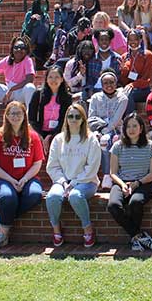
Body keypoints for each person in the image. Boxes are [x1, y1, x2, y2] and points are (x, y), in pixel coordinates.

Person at [0, 101, 45, 250]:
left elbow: (37, 164)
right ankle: (3, 236)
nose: (15, 116)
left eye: (19, 113)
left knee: (35, 194)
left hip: (26, 179)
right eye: (12, 113)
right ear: (7, 116)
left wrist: (24, 179)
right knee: (8, 197)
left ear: (24, 115)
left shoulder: (33, 137)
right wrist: (11, 180)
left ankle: (1, 219)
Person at [45, 103, 101, 248]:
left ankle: (88, 229)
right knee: (52, 197)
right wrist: (63, 183)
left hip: (87, 181)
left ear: (83, 119)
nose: (74, 119)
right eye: (70, 116)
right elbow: (52, 166)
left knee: (75, 196)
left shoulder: (91, 139)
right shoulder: (58, 139)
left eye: (77, 116)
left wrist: (75, 182)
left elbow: (92, 167)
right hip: (63, 181)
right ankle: (56, 230)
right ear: (66, 119)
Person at [107, 113, 152, 252]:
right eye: (128, 126)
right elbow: (113, 173)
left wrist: (138, 182)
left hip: (144, 183)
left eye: (135, 126)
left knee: (135, 202)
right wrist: (123, 184)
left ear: (141, 128)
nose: (131, 129)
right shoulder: (117, 146)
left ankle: (137, 239)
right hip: (121, 182)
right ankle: (138, 236)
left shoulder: (151, 146)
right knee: (113, 205)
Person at [87, 70, 128, 187]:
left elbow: (115, 120)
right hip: (97, 129)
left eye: (112, 82)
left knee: (105, 140)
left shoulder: (122, 98)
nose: (109, 85)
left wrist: (104, 130)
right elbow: (91, 118)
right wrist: (100, 129)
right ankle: (90, 176)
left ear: (116, 83)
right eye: (105, 83)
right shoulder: (95, 97)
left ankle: (107, 175)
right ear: (101, 84)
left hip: (116, 130)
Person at [28, 66, 73, 153]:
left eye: (57, 77)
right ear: (46, 79)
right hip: (40, 133)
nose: (53, 80)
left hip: (59, 133)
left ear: (62, 79)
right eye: (50, 77)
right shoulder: (38, 95)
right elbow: (32, 118)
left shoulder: (67, 97)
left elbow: (65, 120)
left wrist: (51, 136)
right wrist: (42, 136)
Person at [118, 29, 152, 117]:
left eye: (135, 39)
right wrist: (124, 71)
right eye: (130, 39)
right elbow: (124, 81)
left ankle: (130, 118)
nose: (132, 42)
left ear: (140, 40)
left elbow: (147, 79)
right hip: (128, 88)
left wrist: (133, 85)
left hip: (143, 89)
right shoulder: (124, 57)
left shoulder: (147, 55)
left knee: (127, 95)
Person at [85, 29, 122, 99]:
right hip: (95, 89)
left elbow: (118, 78)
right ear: (98, 41)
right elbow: (90, 79)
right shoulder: (92, 59)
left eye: (106, 39)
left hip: (112, 89)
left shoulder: (117, 58)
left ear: (110, 41)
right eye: (101, 40)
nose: (104, 42)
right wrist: (90, 91)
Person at [22, 0, 52, 68]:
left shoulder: (46, 16)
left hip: (43, 44)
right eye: (41, 4)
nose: (43, 6)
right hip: (32, 43)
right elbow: (27, 29)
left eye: (45, 4)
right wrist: (32, 21)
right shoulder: (30, 14)